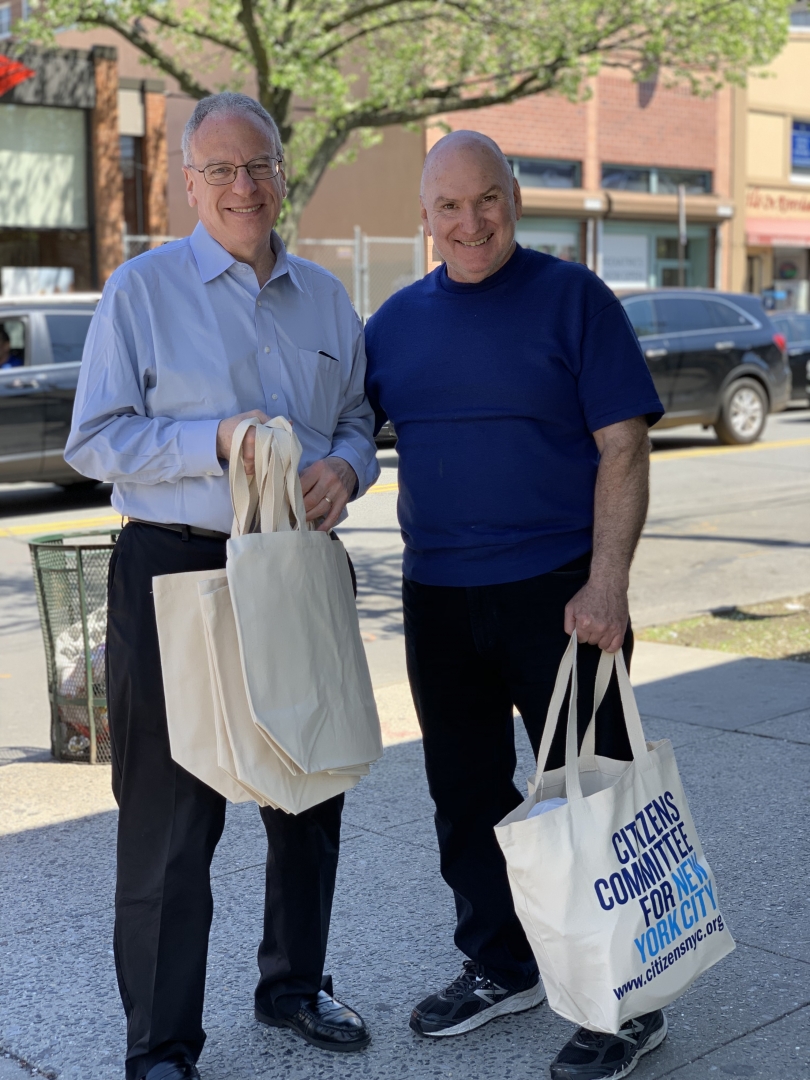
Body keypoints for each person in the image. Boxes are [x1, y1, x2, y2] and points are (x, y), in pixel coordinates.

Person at [65, 92, 379, 1080]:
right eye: (223, 170)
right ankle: (161, 1045)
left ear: (283, 172)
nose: (245, 186)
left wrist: (348, 467)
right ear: (189, 183)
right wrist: (211, 439)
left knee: (309, 785)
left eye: (260, 166)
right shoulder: (141, 290)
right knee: (170, 815)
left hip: (295, 557)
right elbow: (96, 439)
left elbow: (360, 419)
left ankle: (293, 985)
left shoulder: (328, 298)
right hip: (177, 566)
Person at [364, 131, 667, 1080]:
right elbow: (344, 432)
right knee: (465, 797)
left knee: (601, 799)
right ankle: (501, 964)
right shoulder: (394, 325)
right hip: (438, 595)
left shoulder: (574, 299)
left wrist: (607, 582)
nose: (469, 222)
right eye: (448, 206)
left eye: (485, 199)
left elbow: (624, 445)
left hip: (562, 595)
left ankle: (633, 998)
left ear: (514, 199)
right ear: (424, 217)